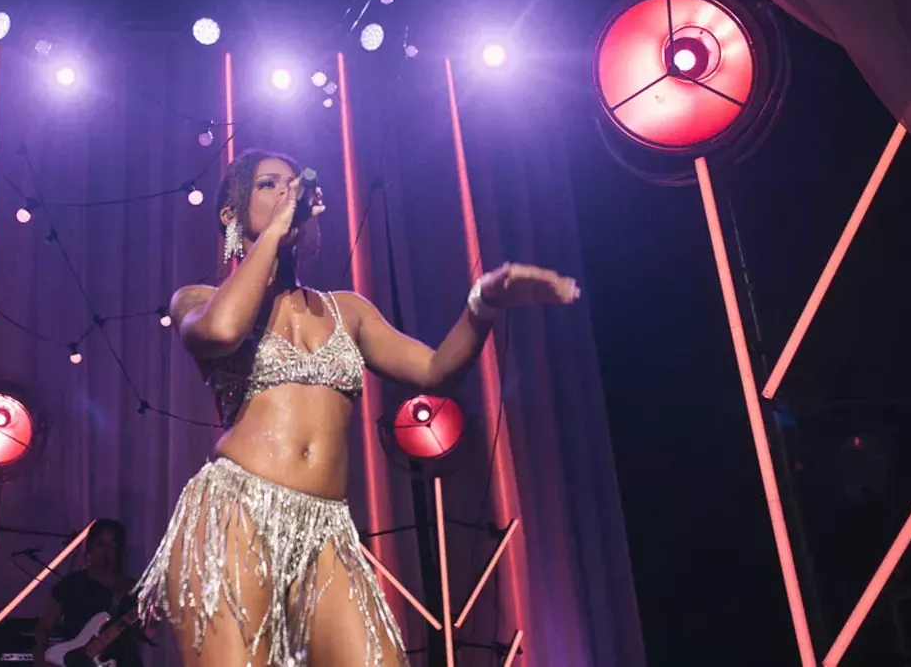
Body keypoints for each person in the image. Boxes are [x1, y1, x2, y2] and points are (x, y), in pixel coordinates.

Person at [135, 149, 580, 667]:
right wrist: (275, 233)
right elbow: (223, 331)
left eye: (292, 184)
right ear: (230, 214)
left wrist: (483, 303)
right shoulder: (198, 300)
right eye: (267, 185)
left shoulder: (347, 311)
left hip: (327, 527)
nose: (286, 193)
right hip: (237, 514)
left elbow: (437, 370)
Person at [33, 518, 143, 667]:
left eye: (113, 545)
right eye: (101, 544)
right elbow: (44, 626)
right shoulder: (71, 584)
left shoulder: (133, 588)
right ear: (90, 549)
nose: (107, 551)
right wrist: (40, 658)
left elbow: (146, 632)